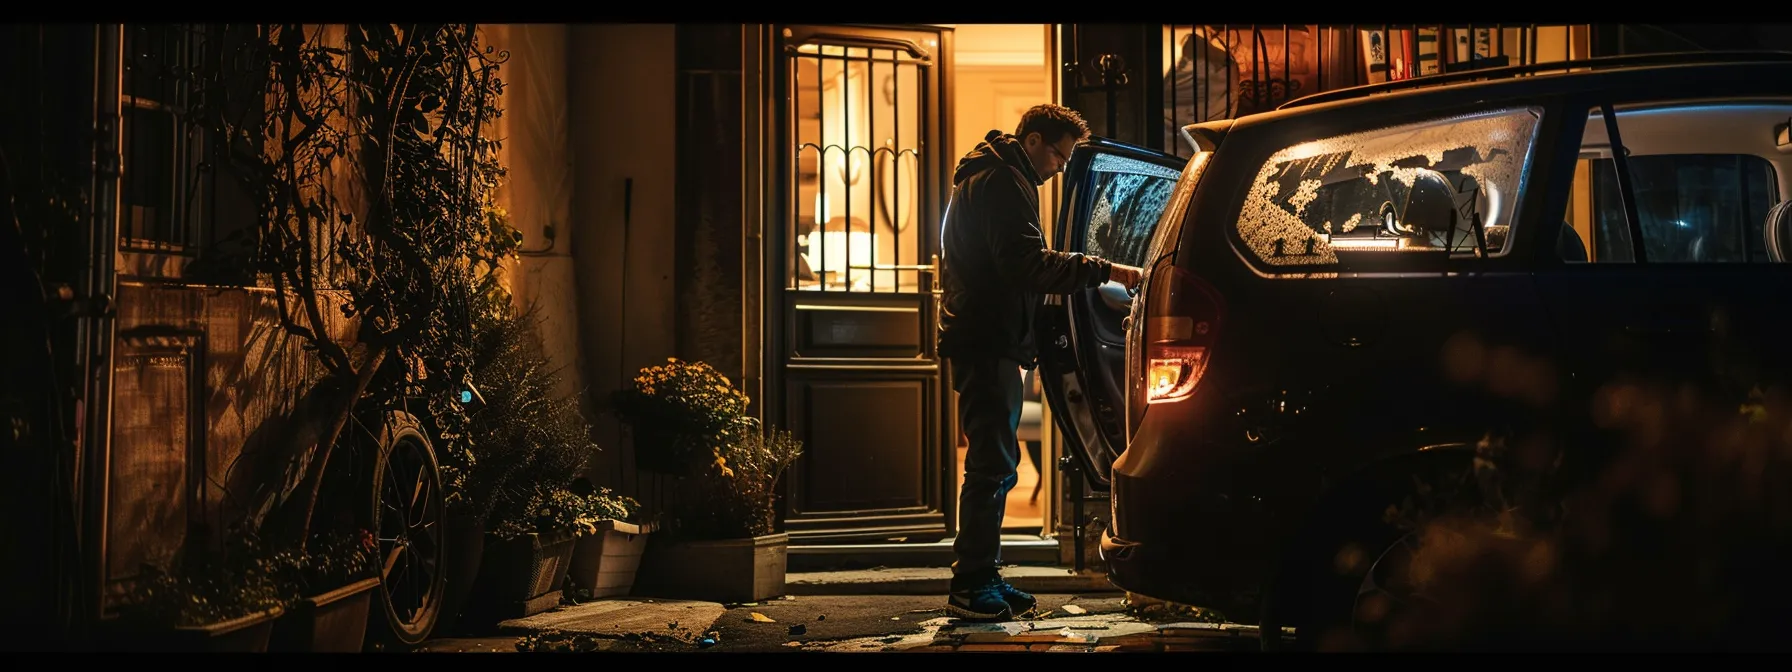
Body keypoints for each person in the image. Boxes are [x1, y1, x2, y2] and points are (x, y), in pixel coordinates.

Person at [937, 103, 1143, 621]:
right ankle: (970, 585)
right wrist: (1109, 269)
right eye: (1058, 154)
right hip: (988, 341)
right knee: (991, 465)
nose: (1058, 168)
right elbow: (1026, 264)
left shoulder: (994, 175)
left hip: (989, 337)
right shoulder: (1004, 181)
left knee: (997, 464)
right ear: (1032, 141)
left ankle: (985, 573)